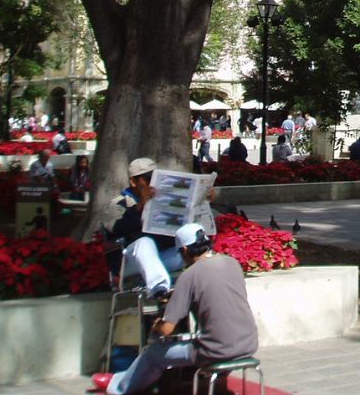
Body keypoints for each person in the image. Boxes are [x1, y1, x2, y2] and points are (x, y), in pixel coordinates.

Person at [92, 223, 258, 395]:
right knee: (192, 341)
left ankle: (118, 388)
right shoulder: (232, 263)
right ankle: (124, 377)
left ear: (185, 250)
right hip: (249, 343)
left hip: (215, 350)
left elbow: (167, 329)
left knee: (153, 353)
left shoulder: (189, 275)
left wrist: (157, 325)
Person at [106, 158, 182, 296]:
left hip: (160, 257)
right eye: (147, 178)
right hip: (131, 261)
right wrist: (141, 205)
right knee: (144, 243)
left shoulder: (162, 200)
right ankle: (159, 291)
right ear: (133, 182)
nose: (152, 183)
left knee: (189, 243)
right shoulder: (119, 203)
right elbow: (116, 229)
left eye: (155, 177)